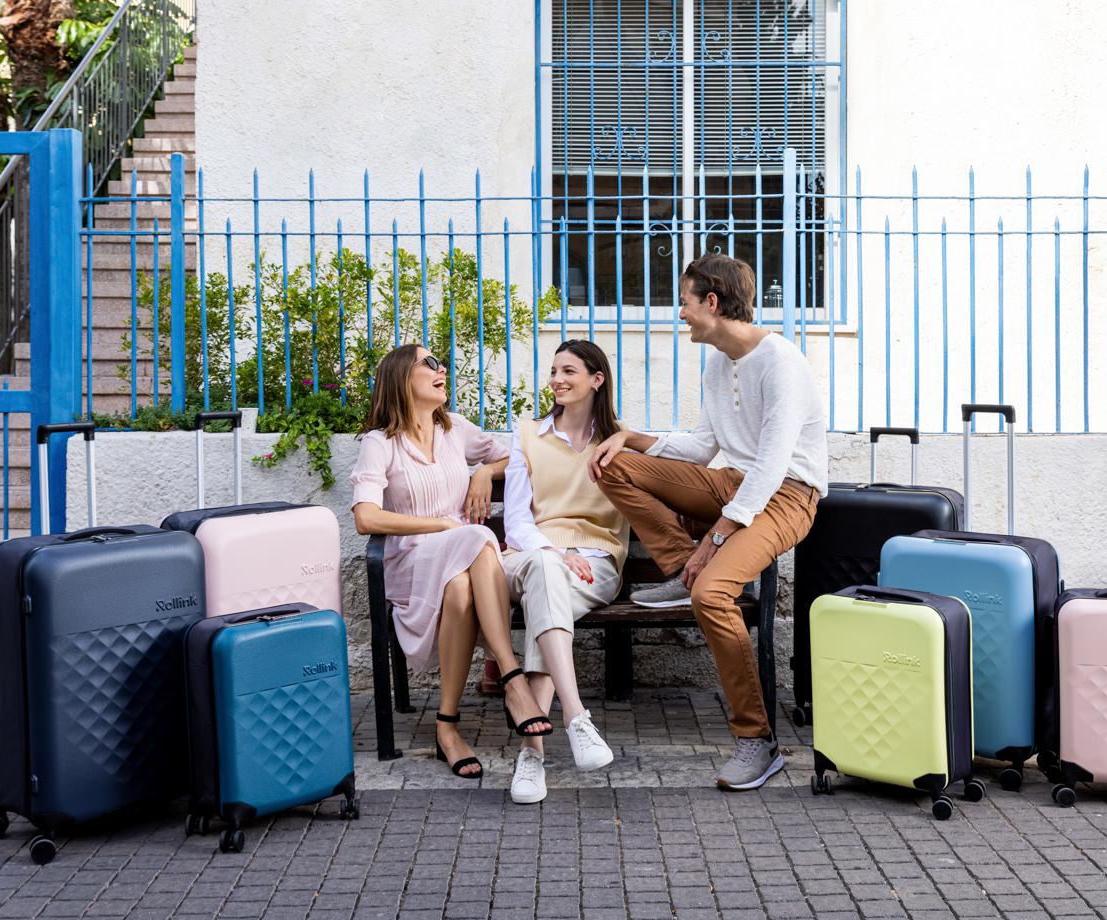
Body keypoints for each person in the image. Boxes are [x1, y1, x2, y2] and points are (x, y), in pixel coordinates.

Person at [590, 254, 827, 792]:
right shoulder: (718, 365)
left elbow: (771, 465)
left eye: (685, 301)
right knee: (614, 465)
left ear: (712, 302)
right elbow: (701, 447)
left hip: (787, 496)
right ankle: (680, 569)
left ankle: (757, 739)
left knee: (713, 594)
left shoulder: (781, 362)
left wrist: (713, 542)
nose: (680, 313)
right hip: (733, 484)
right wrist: (628, 437)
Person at [350, 343, 554, 781]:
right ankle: (512, 677)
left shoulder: (455, 429)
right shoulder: (379, 443)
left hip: (462, 563)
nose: (440, 368)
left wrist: (483, 472)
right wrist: (440, 525)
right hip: (411, 563)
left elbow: (519, 454)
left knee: (461, 588)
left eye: (440, 361)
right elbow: (366, 517)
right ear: (402, 378)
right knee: (478, 536)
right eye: (429, 363)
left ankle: (447, 725)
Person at [498, 339, 629, 804]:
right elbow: (517, 521)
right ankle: (575, 717)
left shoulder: (617, 441)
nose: (556, 380)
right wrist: (552, 551)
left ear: (597, 380)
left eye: (568, 371)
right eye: (554, 371)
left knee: (546, 599)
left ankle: (531, 755)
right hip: (530, 556)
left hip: (595, 563)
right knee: (544, 569)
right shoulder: (527, 435)